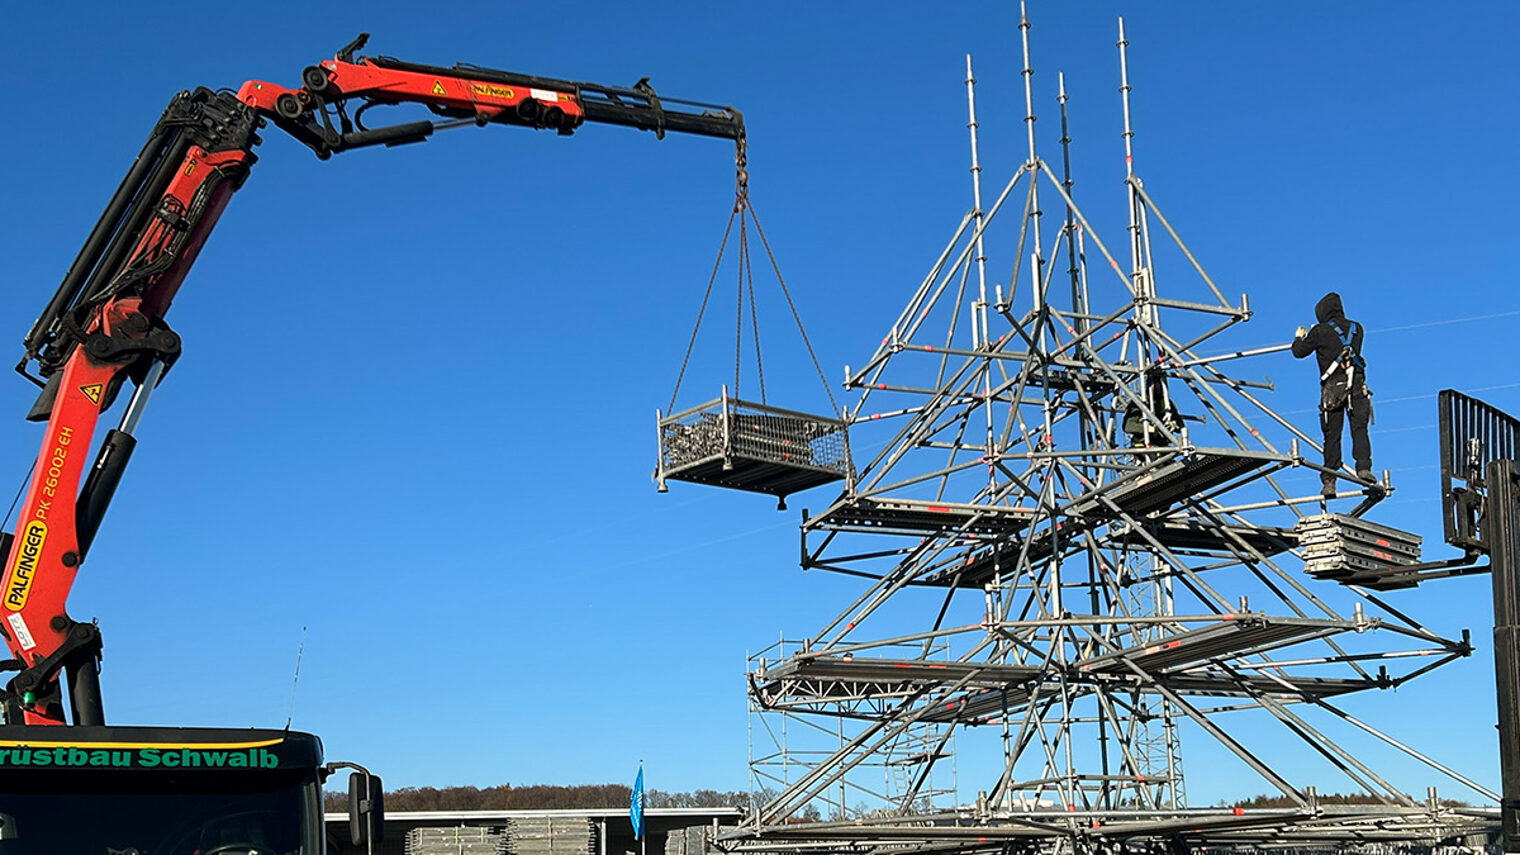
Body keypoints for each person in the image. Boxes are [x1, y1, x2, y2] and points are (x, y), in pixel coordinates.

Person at [1292, 291, 1372, 497]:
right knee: (1359, 428)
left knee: (1332, 434)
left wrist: (1300, 337)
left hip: (1333, 388)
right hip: (1356, 383)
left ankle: (1330, 479)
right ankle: (1364, 468)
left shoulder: (1320, 331)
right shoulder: (1357, 328)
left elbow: (1299, 352)